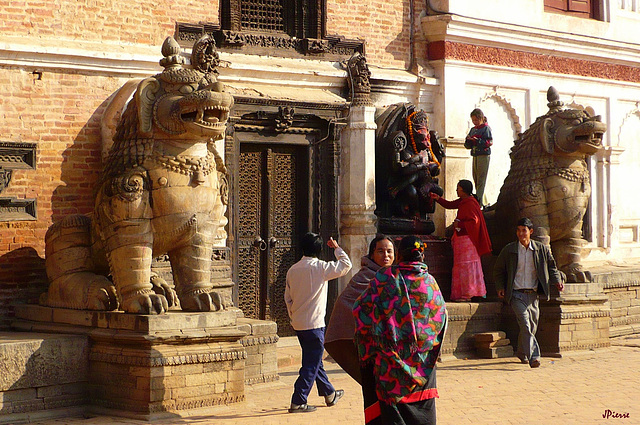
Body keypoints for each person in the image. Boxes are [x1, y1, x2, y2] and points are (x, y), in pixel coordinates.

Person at [353, 235, 447, 425]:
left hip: (390, 368)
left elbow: (360, 310)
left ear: (399, 255)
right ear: (421, 255)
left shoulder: (383, 279)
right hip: (424, 365)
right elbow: (442, 318)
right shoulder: (431, 283)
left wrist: (370, 347)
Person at [284, 232, 352, 413]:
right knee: (311, 364)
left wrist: (293, 316)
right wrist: (337, 248)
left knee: (314, 361)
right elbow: (346, 265)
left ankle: (329, 394)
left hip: (299, 324)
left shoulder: (293, 270)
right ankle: (298, 400)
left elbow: (288, 298)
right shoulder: (321, 268)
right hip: (314, 324)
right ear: (320, 250)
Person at [493, 217, 565, 368]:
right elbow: (498, 270)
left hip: (533, 295)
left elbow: (552, 267)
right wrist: (500, 287)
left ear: (530, 232)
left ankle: (522, 352)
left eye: (524, 231)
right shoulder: (510, 250)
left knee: (531, 327)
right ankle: (534, 357)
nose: (521, 234)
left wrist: (557, 280)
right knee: (525, 324)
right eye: (518, 231)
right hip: (516, 295)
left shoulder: (541, 250)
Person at [325, 235, 396, 384]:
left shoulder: (397, 278)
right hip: (369, 348)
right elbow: (345, 304)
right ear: (372, 254)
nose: (386, 255)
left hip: (392, 349)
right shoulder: (363, 278)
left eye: (389, 251)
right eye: (380, 251)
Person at [430, 180, 492, 301]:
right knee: (461, 266)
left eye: (458, 188)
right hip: (461, 240)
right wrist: (437, 198)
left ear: (463, 189)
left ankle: (469, 293)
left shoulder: (470, 202)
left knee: (467, 266)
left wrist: (460, 224)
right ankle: (462, 293)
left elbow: (474, 222)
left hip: (468, 241)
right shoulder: (464, 201)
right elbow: (450, 205)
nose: (456, 190)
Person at [464, 108, 492, 206]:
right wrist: (468, 141)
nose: (474, 122)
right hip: (475, 155)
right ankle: (484, 201)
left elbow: (489, 142)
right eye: (473, 120)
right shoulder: (473, 130)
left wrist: (477, 141)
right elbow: (467, 145)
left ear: (481, 118)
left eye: (476, 120)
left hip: (483, 156)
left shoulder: (486, 129)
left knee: (481, 179)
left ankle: (478, 202)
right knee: (476, 179)